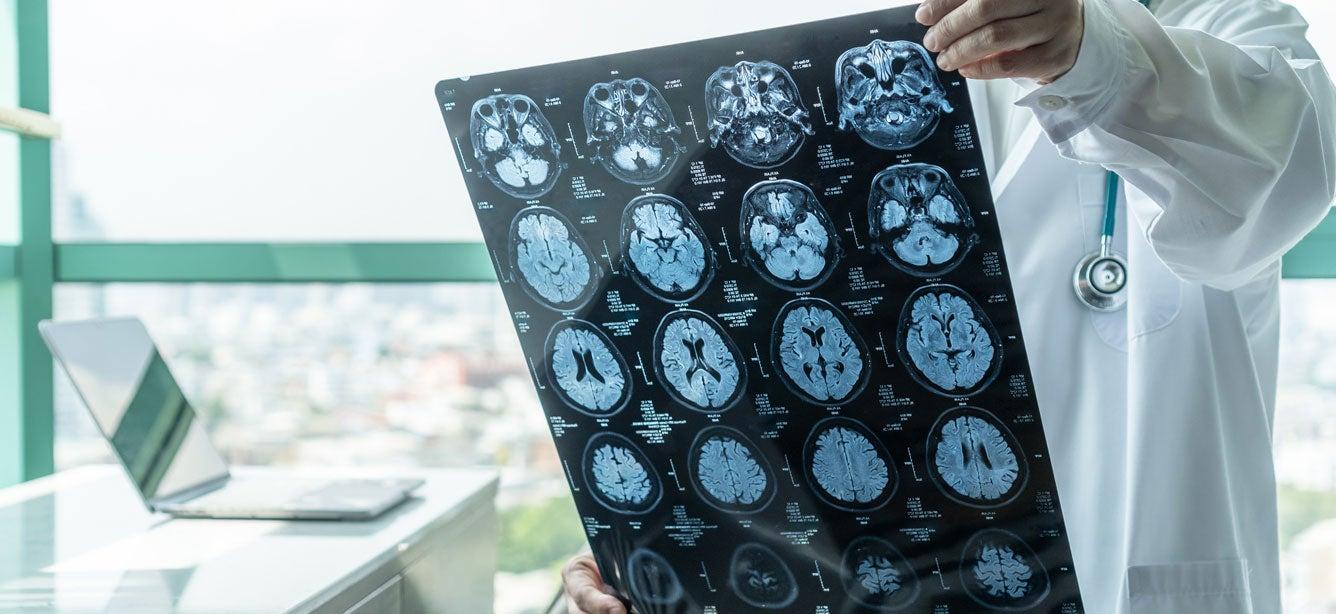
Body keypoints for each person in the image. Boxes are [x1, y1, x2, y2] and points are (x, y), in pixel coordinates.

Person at [562, 0, 1336, 612]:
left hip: (1130, 567)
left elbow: (1289, 173)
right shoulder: (813, 85)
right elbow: (716, 371)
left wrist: (1091, 56)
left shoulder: (1215, 23)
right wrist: (658, 542)